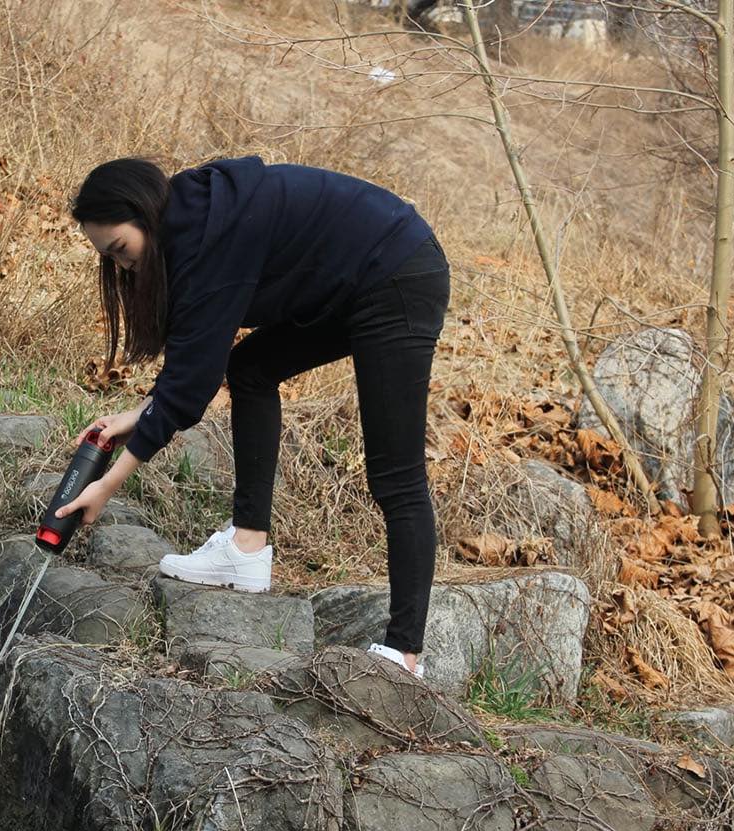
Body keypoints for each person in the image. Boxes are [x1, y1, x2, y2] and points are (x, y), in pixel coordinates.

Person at [54, 156, 449, 678]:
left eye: (121, 251)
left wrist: (106, 487)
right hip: (353, 279)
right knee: (251, 369)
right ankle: (247, 548)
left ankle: (403, 656)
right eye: (111, 260)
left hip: (396, 271)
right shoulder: (190, 221)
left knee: (394, 474)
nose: (124, 268)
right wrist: (137, 412)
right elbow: (194, 363)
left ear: (145, 214)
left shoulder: (207, 241)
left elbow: (188, 394)